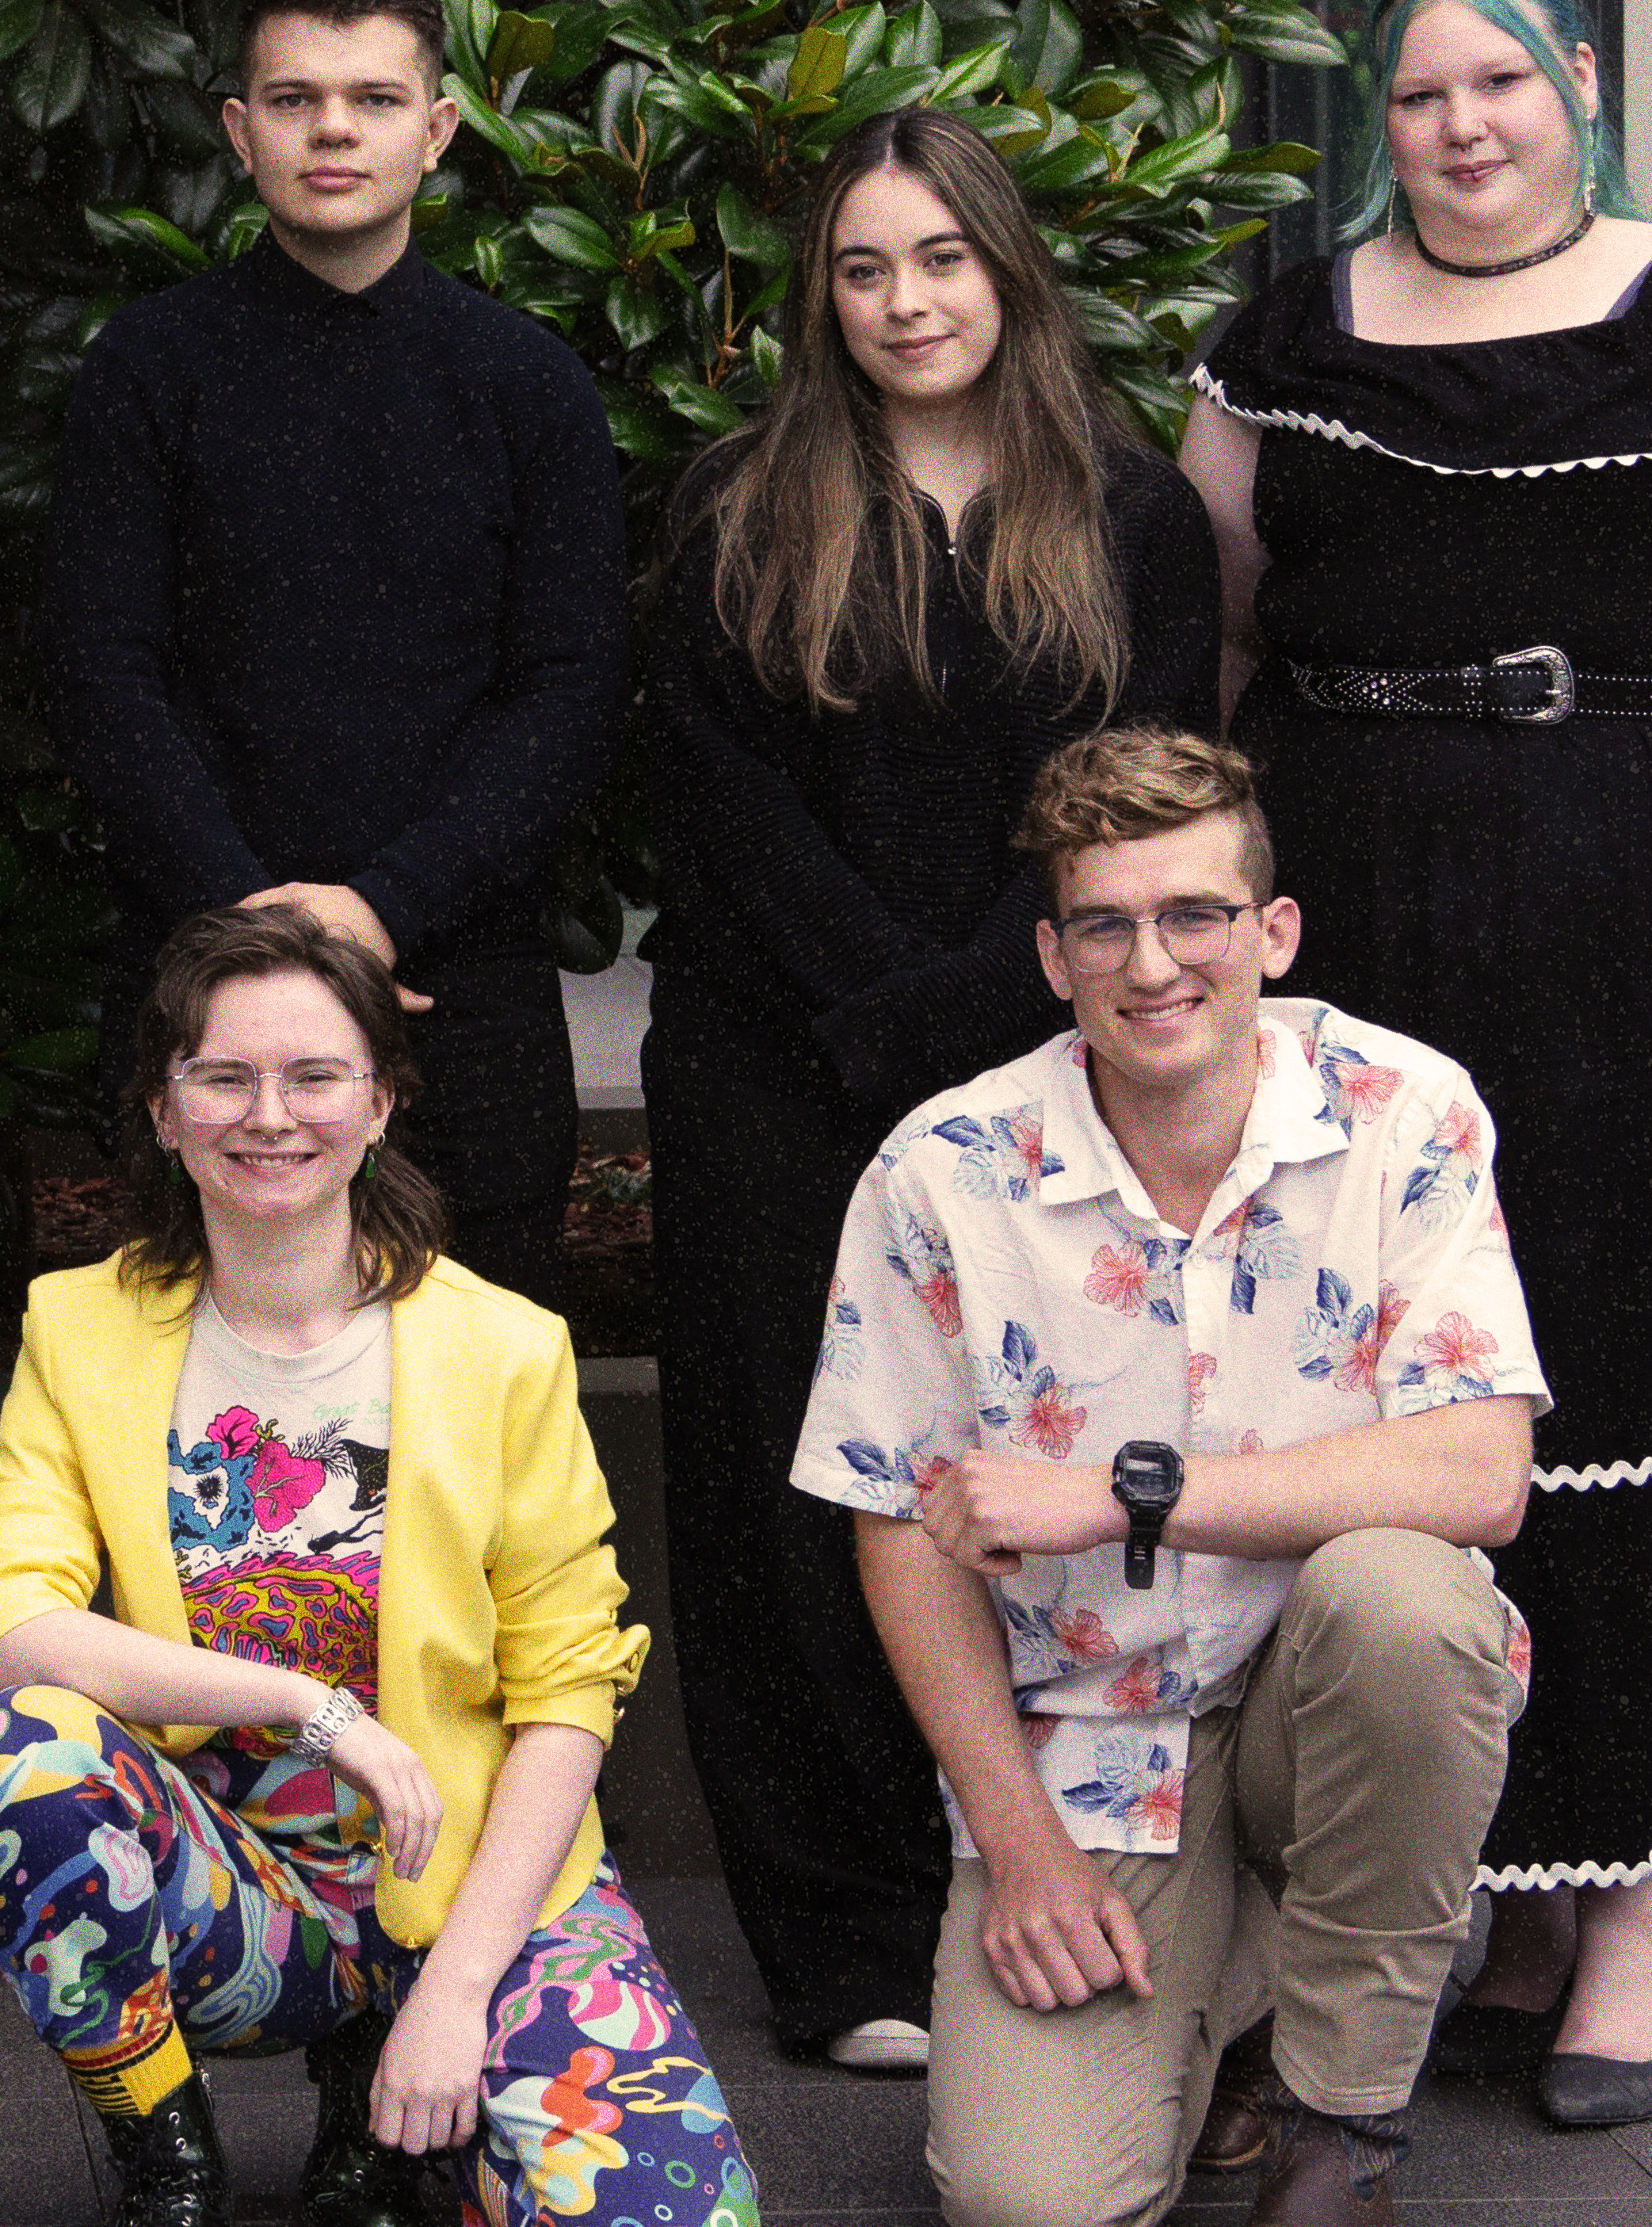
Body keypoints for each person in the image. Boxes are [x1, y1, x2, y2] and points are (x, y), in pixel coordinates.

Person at [1180, 0, 1652, 2126]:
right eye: (1413, 98)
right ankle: (1487, 1882)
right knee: (1404, 1388)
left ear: (1573, 81)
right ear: (1375, 124)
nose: (1456, 127)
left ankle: (1634, 1909)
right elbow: (1200, 645)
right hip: (1370, 936)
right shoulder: (1282, 345)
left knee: (1633, 1371)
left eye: (1493, 82)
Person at [640, 106, 1224, 2075]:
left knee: (1030, 1470)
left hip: (1052, 1066)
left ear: (1008, 268)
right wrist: (892, 1027)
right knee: (788, 1489)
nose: (905, 301)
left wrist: (990, 1011)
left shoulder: (1126, 513)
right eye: (865, 266)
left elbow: (1140, 785)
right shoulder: (739, 507)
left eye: (941, 258)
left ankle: (1048, 1874)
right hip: (772, 1068)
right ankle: (843, 1941)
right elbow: (714, 805)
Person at [795, 728, 1542, 2227]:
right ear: (1053, 956)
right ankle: (1239, 1988)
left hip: (1316, 1705)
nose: (1154, 965)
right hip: (1092, 1750)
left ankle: (1341, 2123)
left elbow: (1482, 1472)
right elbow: (899, 1521)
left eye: (1194, 915)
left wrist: (1130, 1495)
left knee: (1410, 1604)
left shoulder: (1407, 1110)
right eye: (1106, 926)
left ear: (1272, 931)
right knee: (1030, 2204)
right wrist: (1013, 1842)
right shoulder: (943, 1168)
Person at [0, 905, 757, 2227]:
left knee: (666, 2215)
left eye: (315, 1075)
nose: (271, 1114)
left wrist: (453, 1998)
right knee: (24, 1755)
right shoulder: (76, 1325)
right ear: (162, 1107)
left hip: (482, 1872)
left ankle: (418, 2095)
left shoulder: (505, 1350)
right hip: (234, 1892)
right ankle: (164, 2146)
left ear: (381, 1102)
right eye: (224, 1075)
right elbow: (12, 1623)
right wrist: (308, 1711)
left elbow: (566, 1697)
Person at [38, 0, 626, 1306]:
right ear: (241, 132)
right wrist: (260, 932)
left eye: (372, 98)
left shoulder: (527, 387)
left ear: (436, 131)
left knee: (472, 1405)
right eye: (295, 98)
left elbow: (570, 688)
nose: (335, 129)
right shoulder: (149, 371)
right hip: (198, 983)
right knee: (207, 1403)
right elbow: (101, 671)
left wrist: (382, 908)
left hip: (457, 989)